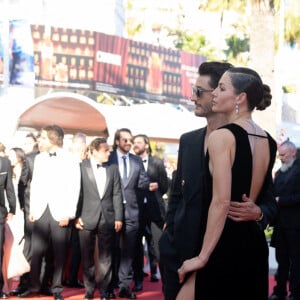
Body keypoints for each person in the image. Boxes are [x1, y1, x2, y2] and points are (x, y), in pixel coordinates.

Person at [159, 62, 278, 300]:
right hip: (251, 246)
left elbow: (221, 203)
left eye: (221, 89)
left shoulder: (222, 138)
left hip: (218, 246)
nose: (214, 94)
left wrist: (202, 257)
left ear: (239, 98)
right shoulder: (269, 140)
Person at [18, 125, 81, 300]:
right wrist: (33, 209)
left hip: (61, 212)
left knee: (60, 254)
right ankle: (34, 286)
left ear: (53, 139)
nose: (40, 141)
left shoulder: (71, 159)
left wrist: (69, 213)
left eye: (43, 138)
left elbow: (74, 187)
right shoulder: (39, 159)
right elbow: (36, 185)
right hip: (40, 211)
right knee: (36, 252)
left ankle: (57, 289)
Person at [75, 137, 123, 300]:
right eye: (105, 150)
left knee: (106, 257)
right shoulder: (82, 167)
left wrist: (119, 217)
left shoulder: (113, 168)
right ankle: (89, 290)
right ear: (94, 151)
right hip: (86, 217)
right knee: (87, 257)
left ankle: (104, 290)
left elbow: (117, 193)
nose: (109, 153)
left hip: (108, 217)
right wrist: (76, 216)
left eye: (109, 150)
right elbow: (77, 194)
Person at [107, 128, 150, 299]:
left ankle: (125, 286)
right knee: (110, 250)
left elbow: (143, 181)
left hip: (132, 211)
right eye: (124, 140)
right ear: (117, 141)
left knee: (129, 251)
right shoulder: (108, 159)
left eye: (130, 140)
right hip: (111, 211)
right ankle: (109, 286)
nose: (128, 143)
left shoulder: (136, 160)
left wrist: (146, 184)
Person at [132, 134, 169, 292]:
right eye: (134, 142)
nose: (135, 145)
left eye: (139, 142)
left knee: (157, 245)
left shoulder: (157, 162)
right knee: (136, 247)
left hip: (155, 210)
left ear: (146, 145)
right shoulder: (131, 162)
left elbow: (165, 185)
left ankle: (159, 274)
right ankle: (138, 279)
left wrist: (157, 189)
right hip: (137, 210)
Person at [269, 140, 300, 300]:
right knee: (281, 260)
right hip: (281, 225)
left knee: (296, 262)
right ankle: (279, 291)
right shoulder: (279, 174)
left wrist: (282, 200)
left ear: (293, 153)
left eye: (283, 155)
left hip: (296, 226)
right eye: (279, 155)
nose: (280, 158)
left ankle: (295, 293)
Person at [64, 132, 88, 288]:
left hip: (80, 213)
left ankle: (72, 277)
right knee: (63, 247)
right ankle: (62, 278)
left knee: (77, 247)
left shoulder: (85, 165)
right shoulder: (66, 163)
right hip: (64, 212)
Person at [0, 154, 16, 299]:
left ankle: (0, 288)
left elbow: (9, 187)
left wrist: (12, 209)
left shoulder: (5, 162)